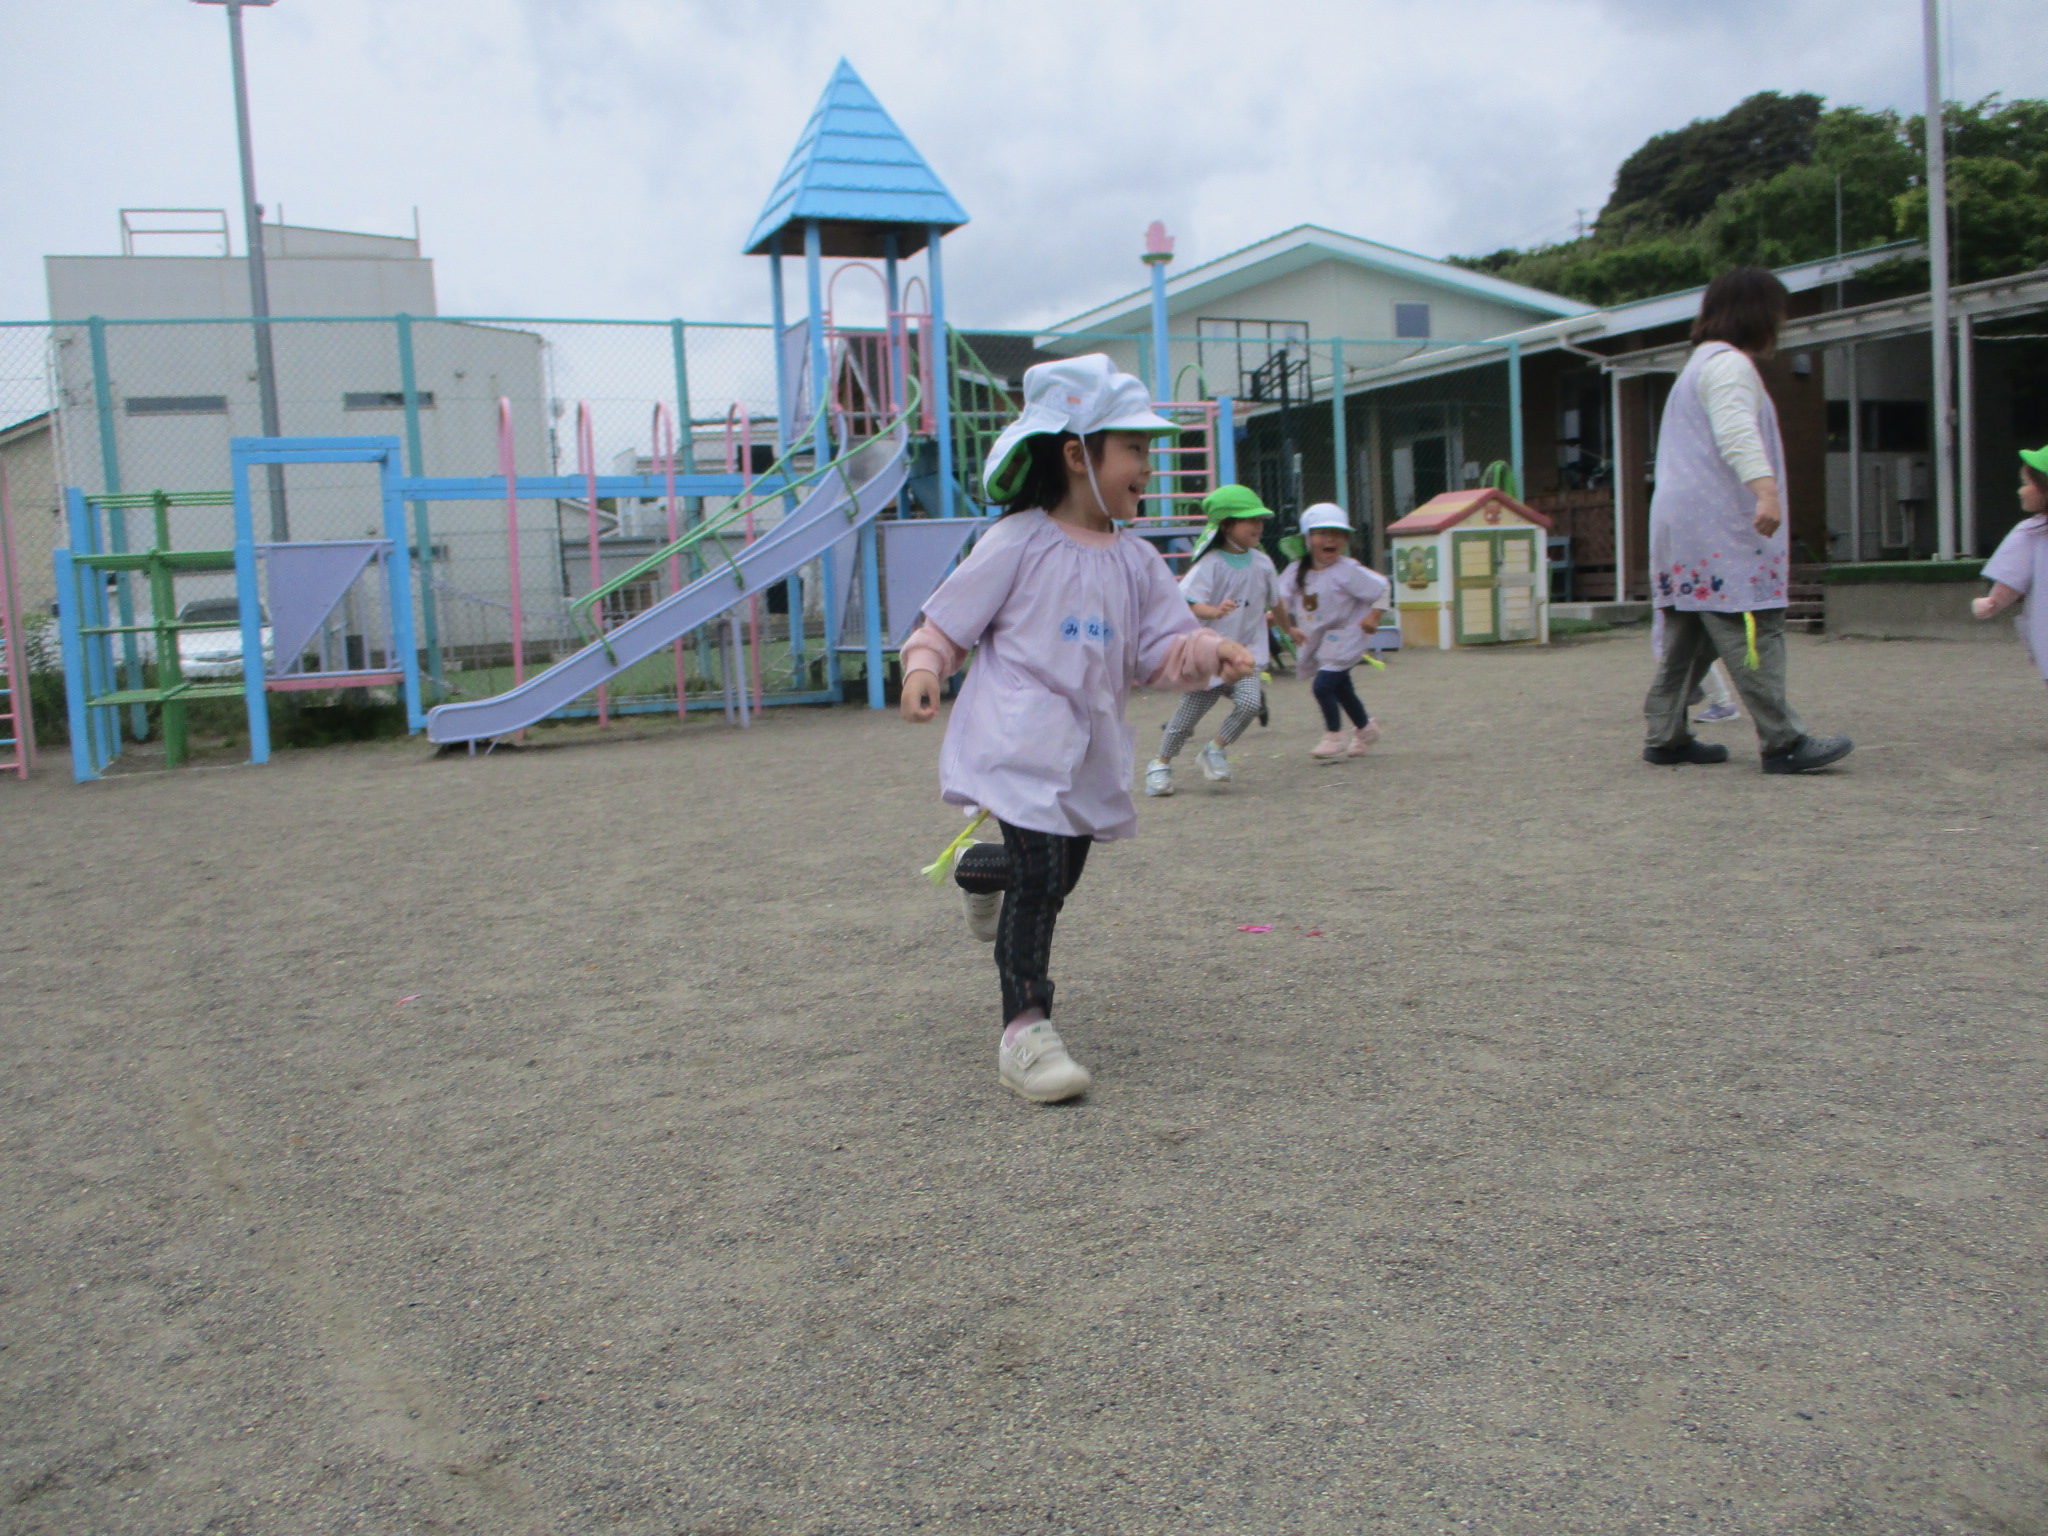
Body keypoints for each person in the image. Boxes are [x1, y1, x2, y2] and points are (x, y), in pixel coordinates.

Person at [897, 355, 1257, 1104]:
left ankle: (978, 870)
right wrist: (925, 665)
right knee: (1039, 880)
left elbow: (1161, 648)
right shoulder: (1019, 540)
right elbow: (949, 620)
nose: (1147, 466)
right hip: (1016, 735)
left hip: (1087, 747)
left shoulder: (1138, 561)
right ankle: (1025, 1031)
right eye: (1134, 449)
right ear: (1075, 454)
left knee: (1057, 877)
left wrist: (1209, 652)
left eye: (1149, 450)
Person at [1641, 266, 1852, 774]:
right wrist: (1766, 489)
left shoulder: (1697, 366)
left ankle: (1665, 734)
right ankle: (1784, 740)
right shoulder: (1730, 366)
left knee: (1691, 632)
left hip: (1682, 527)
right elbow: (1736, 431)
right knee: (1752, 627)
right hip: (1718, 525)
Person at [1145, 484, 1285, 796]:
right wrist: (1214, 611)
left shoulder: (1263, 563)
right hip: (1210, 657)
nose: (1258, 526)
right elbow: (1188, 602)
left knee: (1250, 704)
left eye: (1260, 520)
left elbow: (1277, 602)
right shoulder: (1211, 564)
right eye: (1249, 520)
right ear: (1226, 525)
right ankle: (1160, 764)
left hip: (1244, 656)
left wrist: (1290, 629)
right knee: (1185, 719)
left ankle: (1215, 749)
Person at [1279, 503, 1390, 761]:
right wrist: (1279, 621)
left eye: (1338, 534)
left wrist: (1374, 616)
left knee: (1323, 685)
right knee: (1342, 688)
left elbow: (1382, 587)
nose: (1331, 539)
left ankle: (1333, 735)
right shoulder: (1296, 571)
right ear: (1307, 538)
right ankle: (1365, 729)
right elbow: (1280, 599)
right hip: (1319, 638)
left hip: (1347, 634)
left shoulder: (1347, 570)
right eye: (1322, 533)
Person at [1971, 444, 2048, 685]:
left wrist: (1994, 602)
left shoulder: (2031, 533)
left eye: (2027, 483)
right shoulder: (2032, 533)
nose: (2021, 491)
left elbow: (2012, 578)